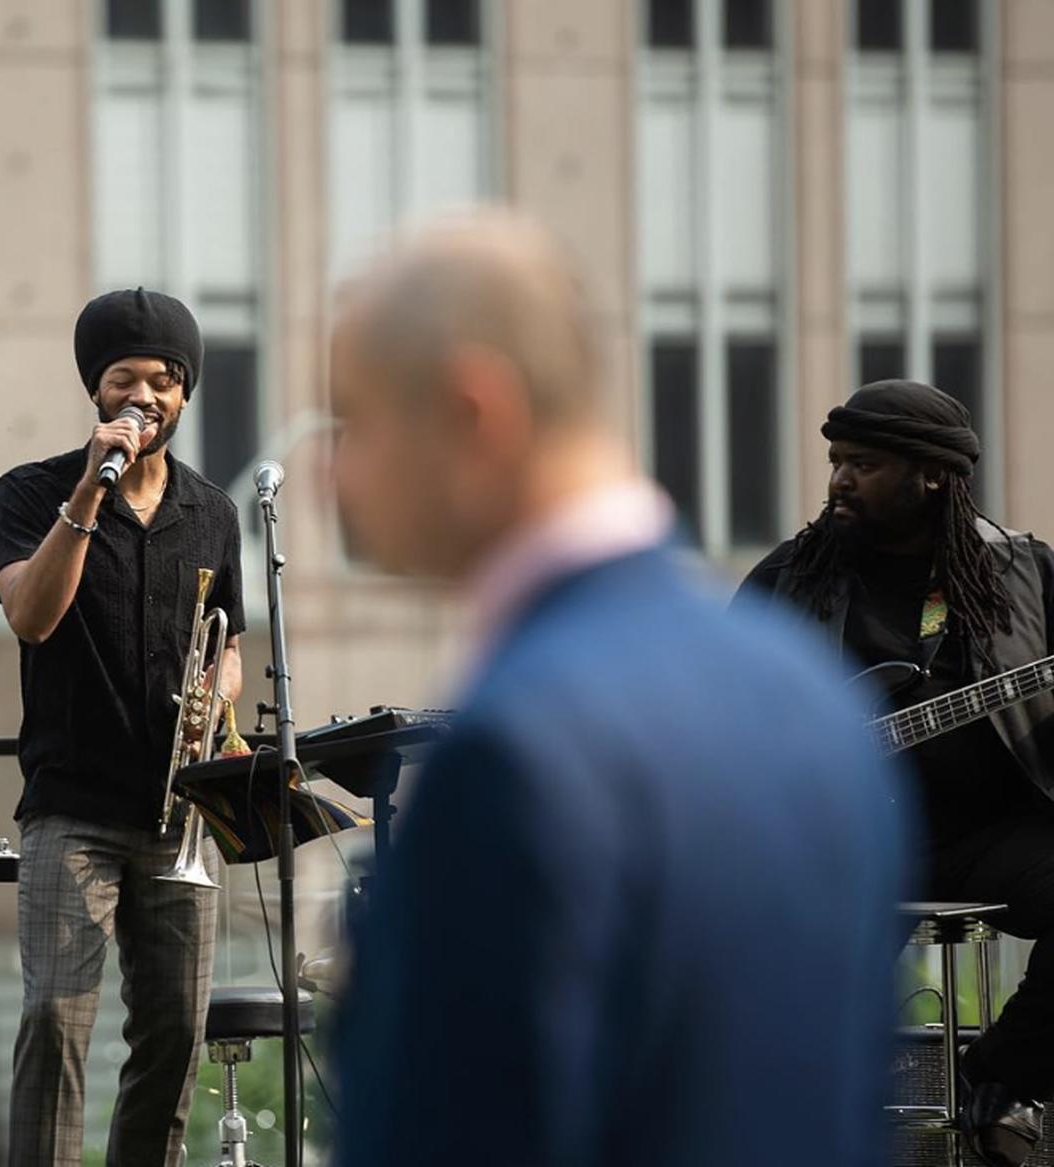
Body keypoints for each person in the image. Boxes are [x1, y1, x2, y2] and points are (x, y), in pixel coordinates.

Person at [328, 210, 907, 1167]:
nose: (335, 476)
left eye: (355, 422)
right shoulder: (814, 702)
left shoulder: (514, 755)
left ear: (473, 412)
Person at [736, 379, 1054, 1167]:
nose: (840, 479)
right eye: (837, 461)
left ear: (933, 475)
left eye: (865, 464)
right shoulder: (790, 579)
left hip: (987, 836)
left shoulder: (1023, 572)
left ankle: (998, 1079)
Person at [0, 288, 245, 1167]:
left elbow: (229, 643)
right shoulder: (31, 492)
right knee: (53, 1021)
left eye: (163, 381)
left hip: (179, 816)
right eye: (124, 379)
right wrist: (87, 496)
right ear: (95, 390)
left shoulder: (214, 512)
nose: (144, 397)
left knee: (175, 1037)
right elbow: (30, 615)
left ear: (185, 392)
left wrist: (217, 694)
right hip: (72, 810)